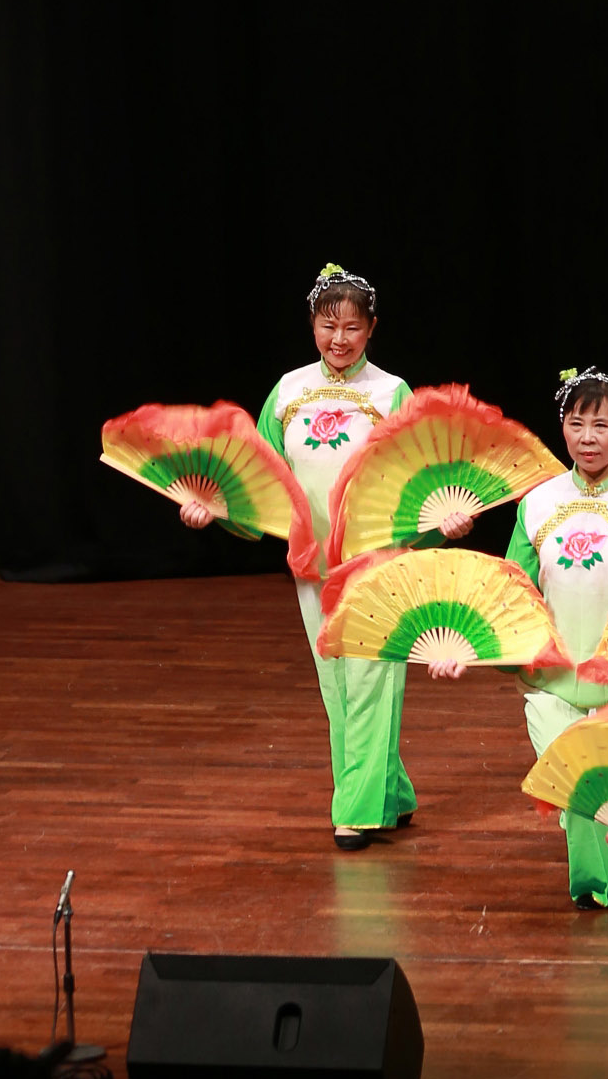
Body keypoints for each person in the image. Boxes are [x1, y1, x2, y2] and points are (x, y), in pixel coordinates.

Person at [183, 264, 471, 851]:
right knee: (336, 682)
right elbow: (260, 477)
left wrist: (441, 525)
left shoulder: (392, 393)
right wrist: (215, 509)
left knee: (369, 675)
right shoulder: (287, 391)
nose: (339, 339)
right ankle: (390, 791)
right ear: (312, 324)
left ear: (372, 329)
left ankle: (356, 810)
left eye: (352, 327)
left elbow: (419, 476)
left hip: (376, 555)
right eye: (328, 325)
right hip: (313, 558)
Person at [431, 367, 608, 909]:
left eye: (601, 425)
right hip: (550, 680)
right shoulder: (537, 504)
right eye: (576, 424)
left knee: (597, 788)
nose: (588, 438)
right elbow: (510, 596)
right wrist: (465, 649)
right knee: (574, 781)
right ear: (562, 427)